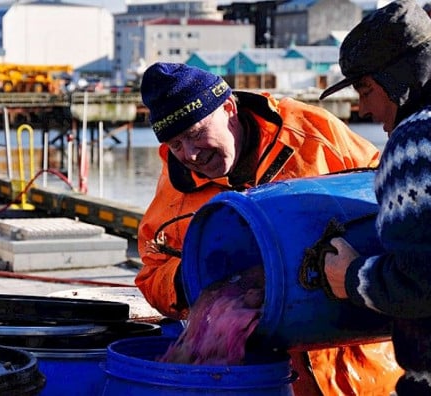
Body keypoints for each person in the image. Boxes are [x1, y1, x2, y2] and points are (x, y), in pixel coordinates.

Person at [136, 62, 400, 395]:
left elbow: (388, 196)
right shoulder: (176, 189)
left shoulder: (313, 134)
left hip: (355, 367)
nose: (190, 154)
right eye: (176, 144)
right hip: (259, 372)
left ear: (229, 107)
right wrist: (193, 282)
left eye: (195, 133)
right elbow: (151, 273)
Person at [320, 0, 431, 394]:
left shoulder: (414, 144)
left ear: (401, 79)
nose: (363, 107)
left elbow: (420, 282)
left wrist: (350, 277)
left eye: (366, 89)